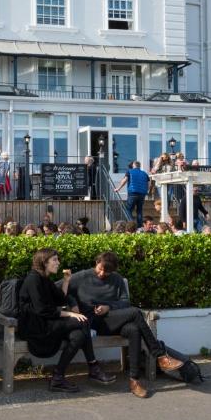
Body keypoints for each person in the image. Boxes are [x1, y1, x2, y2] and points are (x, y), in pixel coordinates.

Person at [66, 251, 184, 398]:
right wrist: (74, 305)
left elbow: (124, 302)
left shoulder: (117, 280)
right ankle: (159, 355)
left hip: (112, 319)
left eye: (107, 272)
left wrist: (108, 307)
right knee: (135, 313)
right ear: (96, 263)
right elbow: (62, 289)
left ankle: (134, 381)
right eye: (100, 269)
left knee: (134, 330)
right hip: (92, 322)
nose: (102, 273)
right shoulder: (82, 276)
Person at [17, 248, 115, 392]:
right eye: (54, 260)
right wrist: (70, 315)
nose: (58, 263)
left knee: (79, 335)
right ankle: (93, 367)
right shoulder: (33, 279)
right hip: (36, 326)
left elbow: (60, 299)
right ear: (44, 262)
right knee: (83, 321)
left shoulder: (45, 278)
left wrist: (66, 281)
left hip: (47, 322)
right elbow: (42, 310)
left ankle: (58, 377)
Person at [114, 160, 150, 227]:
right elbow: (148, 184)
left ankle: (132, 225)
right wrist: (147, 191)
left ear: (133, 165)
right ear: (139, 166)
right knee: (139, 210)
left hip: (133, 193)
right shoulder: (145, 173)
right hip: (142, 194)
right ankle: (140, 226)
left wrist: (118, 188)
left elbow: (125, 180)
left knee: (128, 209)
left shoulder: (130, 172)